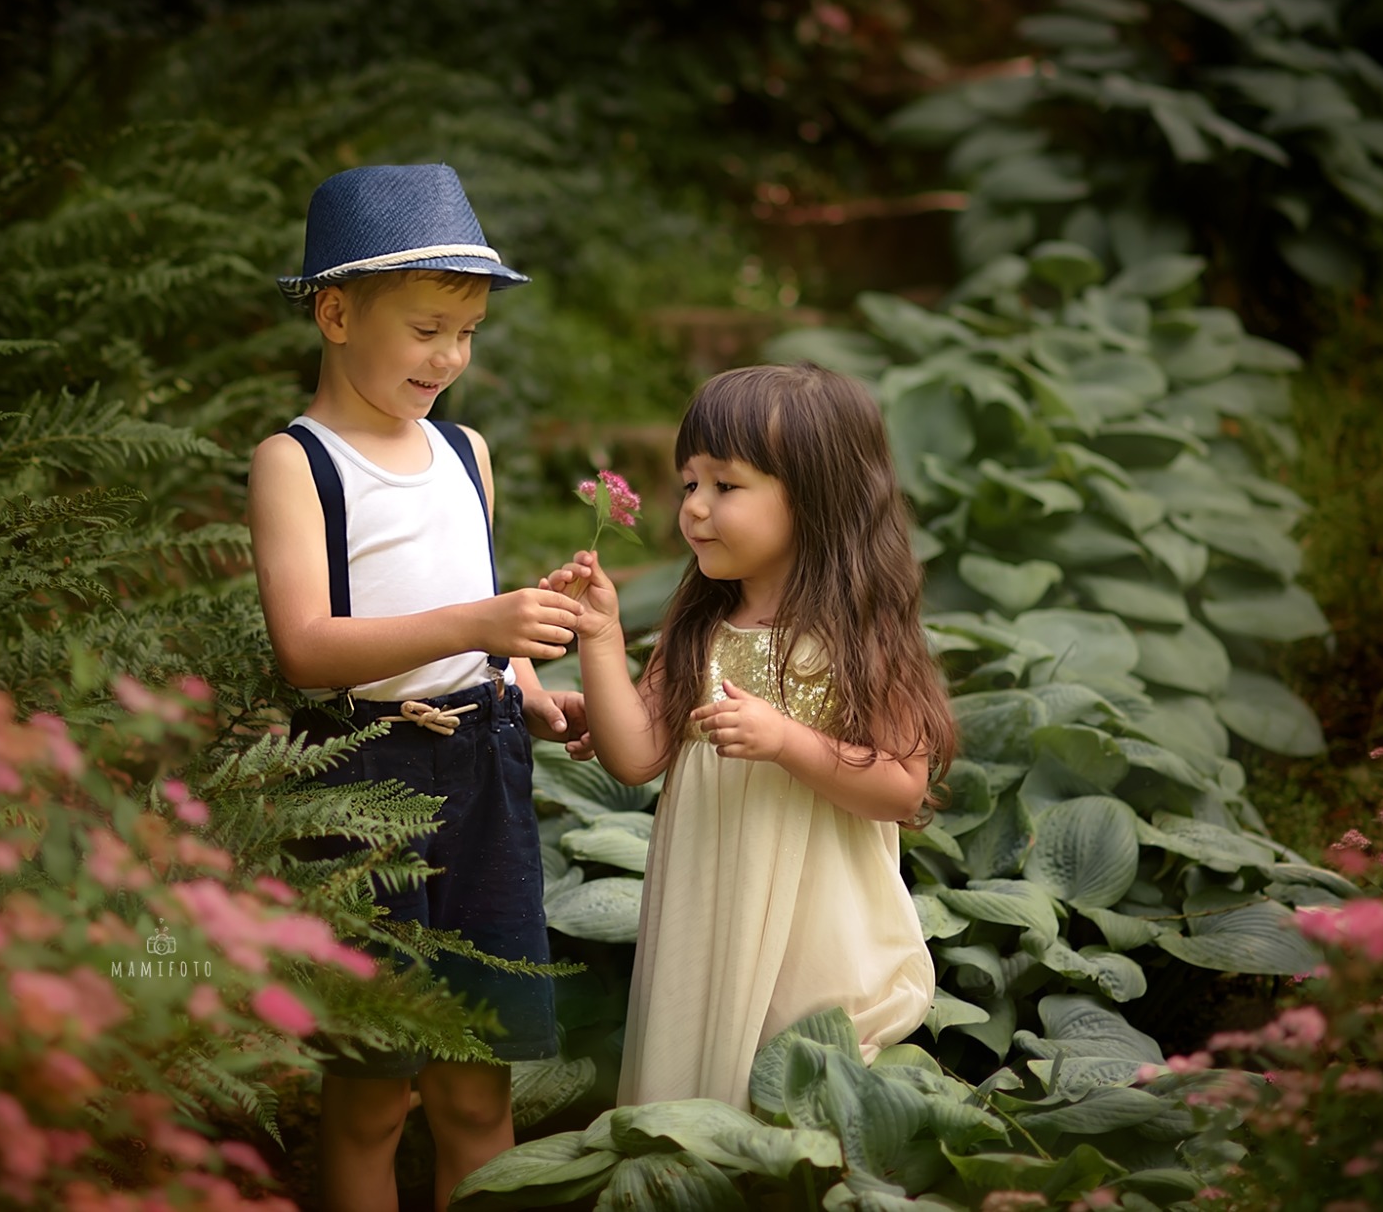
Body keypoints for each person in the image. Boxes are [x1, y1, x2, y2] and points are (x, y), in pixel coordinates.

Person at [247, 164, 591, 1212]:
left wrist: (519, 674)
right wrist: (481, 626)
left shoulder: (464, 451)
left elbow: (474, 600)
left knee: (477, 1089)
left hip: (481, 768)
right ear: (337, 312)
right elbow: (307, 648)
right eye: (428, 327)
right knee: (368, 1094)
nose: (451, 357)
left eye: (468, 332)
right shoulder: (295, 463)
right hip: (364, 780)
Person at [543, 362, 956, 1108]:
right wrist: (600, 636)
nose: (696, 508)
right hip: (711, 905)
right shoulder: (701, 626)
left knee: (788, 1091)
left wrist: (788, 741)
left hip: (814, 920)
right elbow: (636, 755)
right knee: (696, 1080)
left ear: (818, 497)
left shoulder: (864, 636)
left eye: (725, 487)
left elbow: (902, 786)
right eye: (689, 484)